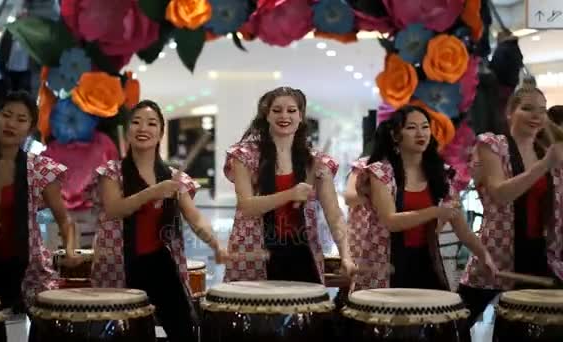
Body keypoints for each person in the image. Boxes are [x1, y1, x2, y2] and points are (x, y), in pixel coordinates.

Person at [92, 100, 227, 342]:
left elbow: (194, 217)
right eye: (136, 122)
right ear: (128, 130)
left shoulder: (174, 177)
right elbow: (114, 209)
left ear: (161, 133)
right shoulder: (111, 172)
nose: (143, 128)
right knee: (124, 332)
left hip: (161, 262)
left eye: (151, 123)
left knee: (184, 330)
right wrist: (152, 192)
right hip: (120, 262)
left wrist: (216, 244)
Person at [0, 91, 79, 312]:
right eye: (7, 115)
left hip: (32, 269)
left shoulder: (38, 169)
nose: (11, 123)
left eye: (21, 119)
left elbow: (64, 219)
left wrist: (70, 249)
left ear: (30, 129)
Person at [353, 105, 497, 290]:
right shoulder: (381, 172)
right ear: (396, 135)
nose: (421, 133)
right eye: (411, 128)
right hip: (387, 262)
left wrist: (484, 255)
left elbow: (463, 231)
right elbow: (391, 221)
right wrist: (436, 211)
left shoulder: (441, 176)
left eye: (425, 127)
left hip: (426, 260)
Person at [223, 86, 355, 284]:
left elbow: (334, 214)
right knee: (256, 312)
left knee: (303, 311)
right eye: (277, 110)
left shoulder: (317, 162)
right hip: (253, 249)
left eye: (292, 111)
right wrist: (290, 194)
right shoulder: (245, 156)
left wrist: (346, 254)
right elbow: (247, 206)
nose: (284, 116)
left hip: (302, 249)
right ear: (266, 115)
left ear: (301, 116)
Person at [458, 86, 563, 325]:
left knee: (529, 327)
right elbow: (500, 194)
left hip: (542, 253)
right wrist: (545, 164)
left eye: (542, 111)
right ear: (510, 112)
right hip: (497, 250)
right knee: (457, 322)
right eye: (527, 108)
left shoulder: (547, 152)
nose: (537, 116)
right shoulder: (492, 144)